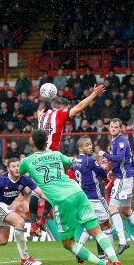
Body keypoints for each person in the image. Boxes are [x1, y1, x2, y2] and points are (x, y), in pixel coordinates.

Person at [19, 129, 125, 265]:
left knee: (68, 243)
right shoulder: (56, 154)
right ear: (46, 141)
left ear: (32, 142)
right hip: (78, 192)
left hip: (62, 200)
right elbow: (73, 160)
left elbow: (18, 173)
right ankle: (116, 262)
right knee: (97, 231)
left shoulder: (27, 161)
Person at [28, 84, 105, 237]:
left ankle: (33, 224)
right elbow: (81, 106)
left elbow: (39, 116)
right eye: (66, 108)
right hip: (52, 158)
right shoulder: (60, 114)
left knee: (36, 192)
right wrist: (94, 94)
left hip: (38, 158)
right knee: (55, 192)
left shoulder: (42, 115)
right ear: (62, 107)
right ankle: (43, 220)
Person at [68, 136, 114, 262]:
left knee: (90, 225)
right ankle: (109, 256)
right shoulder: (90, 160)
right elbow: (102, 173)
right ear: (80, 148)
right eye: (87, 145)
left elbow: (70, 175)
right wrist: (105, 170)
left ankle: (79, 249)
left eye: (90, 144)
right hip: (95, 198)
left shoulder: (75, 160)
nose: (90, 147)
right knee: (106, 225)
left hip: (82, 199)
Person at [98, 118, 134, 256]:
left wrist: (104, 154)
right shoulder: (115, 140)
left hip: (124, 179)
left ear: (121, 128)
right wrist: (112, 171)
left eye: (116, 127)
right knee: (126, 209)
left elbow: (120, 158)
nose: (113, 129)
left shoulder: (120, 140)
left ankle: (122, 241)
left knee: (112, 208)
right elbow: (120, 161)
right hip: (125, 176)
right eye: (112, 126)